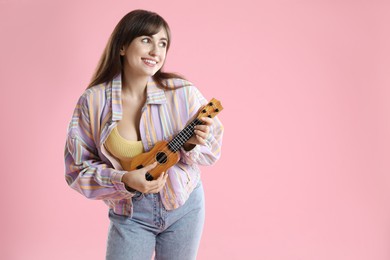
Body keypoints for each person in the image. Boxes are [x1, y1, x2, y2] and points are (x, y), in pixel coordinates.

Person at [64, 9, 223, 260]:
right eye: (147, 40)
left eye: (163, 43)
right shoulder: (93, 102)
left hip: (184, 206)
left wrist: (192, 145)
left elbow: (212, 150)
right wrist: (124, 179)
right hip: (130, 214)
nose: (155, 51)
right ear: (123, 46)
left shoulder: (182, 92)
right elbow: (76, 170)